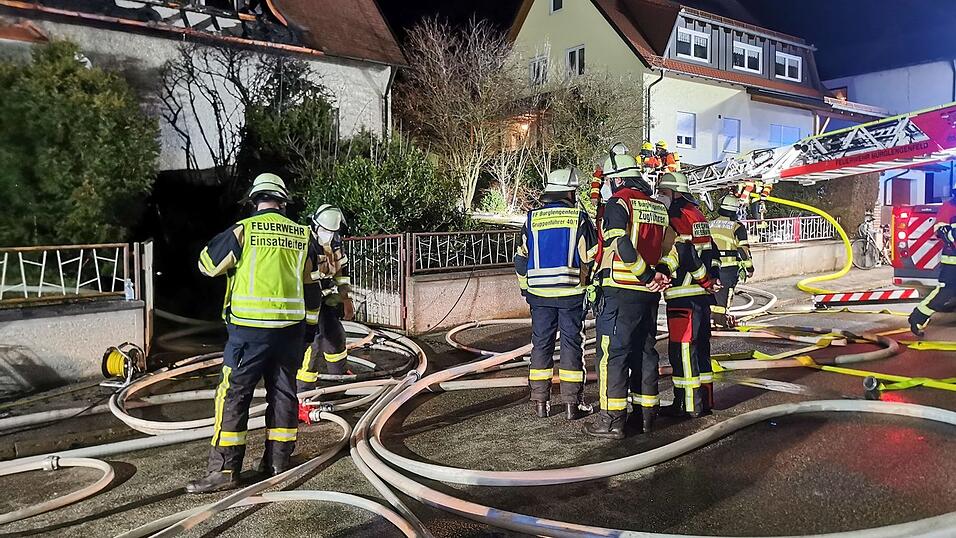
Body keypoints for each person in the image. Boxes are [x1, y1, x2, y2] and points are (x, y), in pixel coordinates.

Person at [189, 173, 318, 493]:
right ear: (283, 202)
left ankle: (225, 470)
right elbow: (311, 285)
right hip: (290, 332)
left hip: (249, 332)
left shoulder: (244, 230)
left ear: (254, 200)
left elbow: (207, 264)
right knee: (284, 394)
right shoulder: (303, 235)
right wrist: (310, 330)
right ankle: (277, 462)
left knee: (234, 395)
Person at [584, 145, 670, 440]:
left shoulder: (619, 204)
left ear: (618, 180)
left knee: (612, 355)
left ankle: (611, 420)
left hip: (621, 291)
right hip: (648, 296)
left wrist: (646, 275)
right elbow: (669, 249)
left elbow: (620, 244)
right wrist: (660, 276)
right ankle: (646, 417)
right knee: (645, 352)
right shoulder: (657, 207)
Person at [514, 168, 598, 420]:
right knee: (572, 345)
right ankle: (573, 404)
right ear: (571, 192)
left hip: (539, 296)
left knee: (541, 345)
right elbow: (591, 255)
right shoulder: (578, 218)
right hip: (571, 294)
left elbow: (520, 259)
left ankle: (541, 403)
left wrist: (525, 288)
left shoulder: (531, 219)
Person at [656, 172, 721, 418]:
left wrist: (662, 271)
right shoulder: (698, 215)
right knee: (701, 350)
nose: (660, 196)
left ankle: (688, 406)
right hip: (702, 298)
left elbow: (681, 254)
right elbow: (713, 251)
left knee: (682, 351)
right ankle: (705, 401)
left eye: (663, 192)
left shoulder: (676, 217)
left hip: (684, 295)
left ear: (674, 193)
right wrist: (712, 279)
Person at [296, 205, 354, 394]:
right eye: (324, 230)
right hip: (305, 299)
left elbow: (341, 273)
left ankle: (339, 378)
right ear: (314, 225)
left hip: (326, 298)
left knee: (336, 336)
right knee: (313, 343)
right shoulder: (304, 242)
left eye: (331, 231)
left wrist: (346, 299)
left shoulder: (335, 241)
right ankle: (304, 391)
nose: (328, 234)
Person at [909, 192, 956, 335]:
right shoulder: (949, 207)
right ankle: (918, 317)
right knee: (945, 293)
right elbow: (941, 231)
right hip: (952, 262)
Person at [710, 194, 753, 328]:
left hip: (710, 267)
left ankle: (708, 323)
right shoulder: (737, 227)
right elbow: (743, 250)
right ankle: (721, 325)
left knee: (711, 296)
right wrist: (749, 268)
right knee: (723, 300)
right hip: (728, 269)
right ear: (735, 210)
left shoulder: (710, 224)